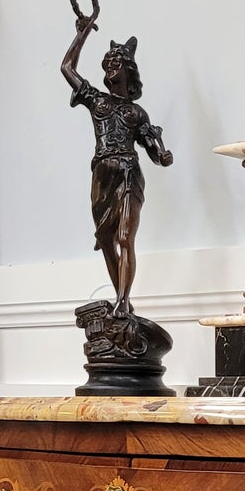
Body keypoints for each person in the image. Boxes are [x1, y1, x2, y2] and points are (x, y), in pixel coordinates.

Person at [62, 17, 173, 317]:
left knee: (125, 236)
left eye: (116, 63)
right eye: (107, 63)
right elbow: (67, 69)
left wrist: (163, 155)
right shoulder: (96, 100)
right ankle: (120, 297)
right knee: (105, 239)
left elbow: (154, 151)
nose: (110, 67)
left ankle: (123, 301)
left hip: (127, 173)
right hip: (102, 175)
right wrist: (82, 35)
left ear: (128, 70)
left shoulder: (137, 113)